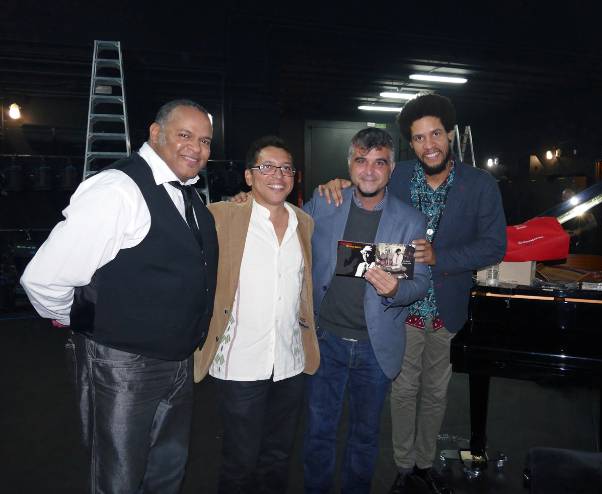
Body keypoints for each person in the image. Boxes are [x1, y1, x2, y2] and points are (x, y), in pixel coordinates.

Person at [20, 99, 218, 493]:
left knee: (166, 472)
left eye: (205, 141)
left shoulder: (189, 196)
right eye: (184, 135)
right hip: (124, 365)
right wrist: (83, 320)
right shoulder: (118, 189)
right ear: (155, 133)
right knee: (119, 478)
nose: (196, 148)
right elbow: (42, 279)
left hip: (178, 361)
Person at [317, 94, 507, 494]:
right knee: (402, 391)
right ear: (411, 144)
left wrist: (441, 257)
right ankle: (404, 466)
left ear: (450, 135)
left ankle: (424, 464)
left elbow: (494, 246)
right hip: (395, 309)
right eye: (419, 138)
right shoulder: (397, 173)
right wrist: (337, 184)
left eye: (435, 134)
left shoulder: (480, 184)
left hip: (446, 306)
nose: (429, 144)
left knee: (435, 392)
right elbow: (364, 181)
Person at [303, 127, 431, 494]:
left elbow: (420, 283)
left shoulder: (409, 220)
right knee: (318, 432)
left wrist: (396, 290)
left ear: (392, 168)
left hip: (376, 347)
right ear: (349, 165)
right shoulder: (325, 203)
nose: (370, 171)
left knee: (364, 437)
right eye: (361, 161)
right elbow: (284, 224)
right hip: (326, 339)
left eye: (380, 162)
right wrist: (245, 203)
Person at [194, 136, 319, 493]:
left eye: (286, 168)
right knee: (240, 461)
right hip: (240, 364)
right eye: (267, 167)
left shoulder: (304, 223)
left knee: (278, 457)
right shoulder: (222, 216)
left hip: (290, 363)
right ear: (249, 176)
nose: (278, 175)